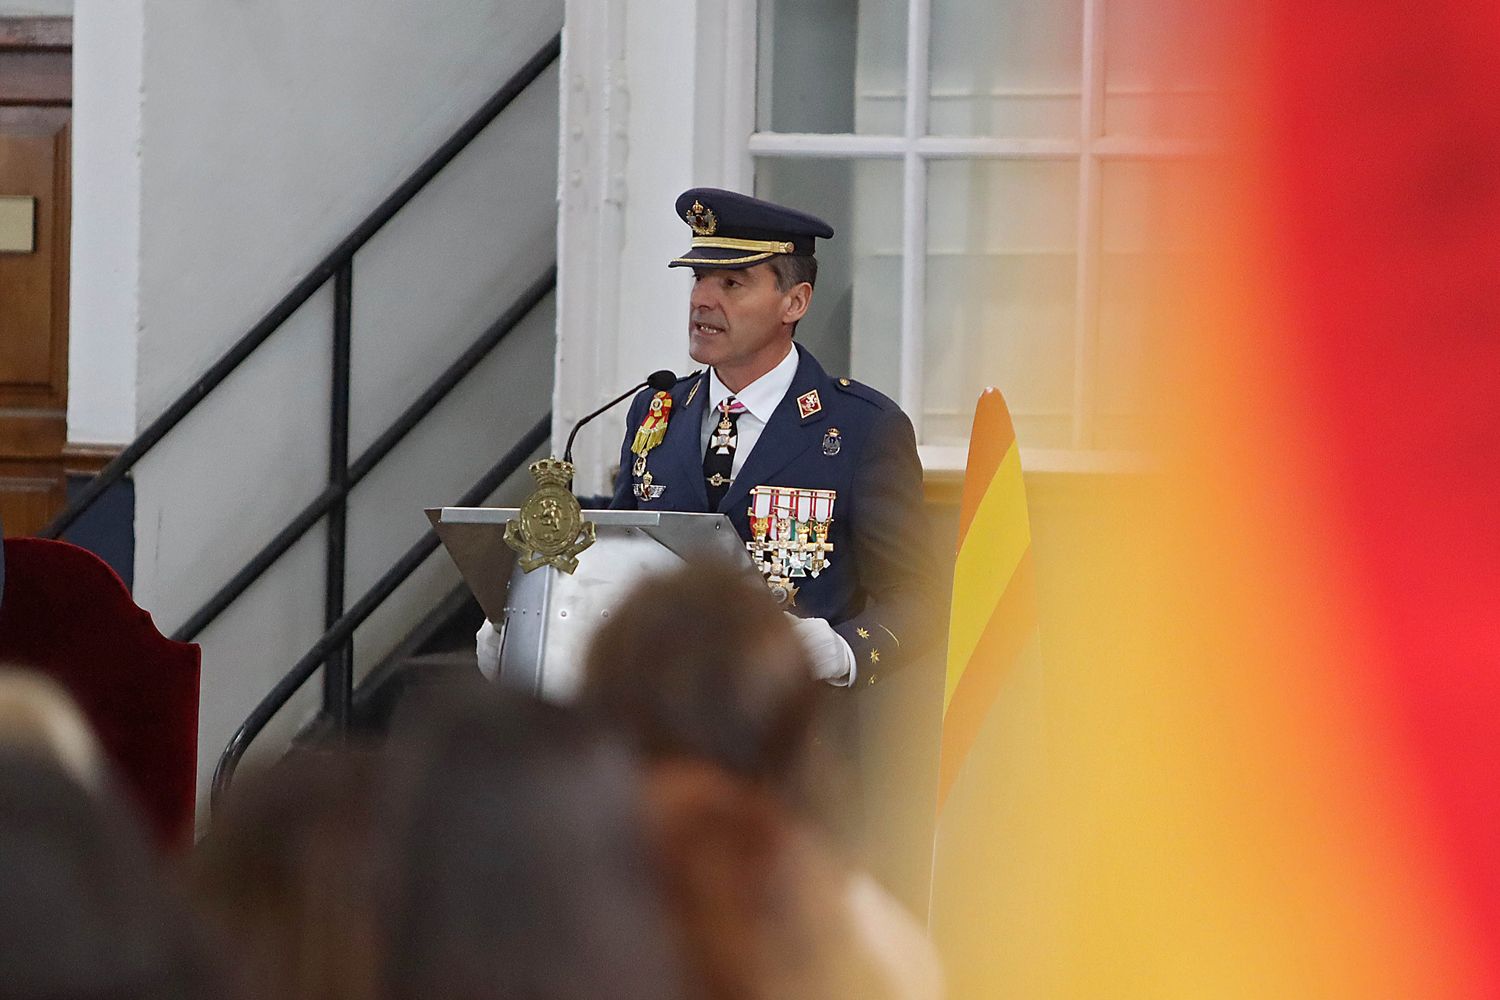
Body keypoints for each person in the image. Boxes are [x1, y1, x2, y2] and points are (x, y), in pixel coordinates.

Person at [607, 187, 941, 690]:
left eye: (732, 283)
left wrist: (842, 648)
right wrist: (534, 618)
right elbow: (618, 555)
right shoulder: (658, 411)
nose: (702, 299)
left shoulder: (860, 429)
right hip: (665, 726)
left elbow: (921, 598)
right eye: (699, 279)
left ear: (794, 301)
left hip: (794, 729)